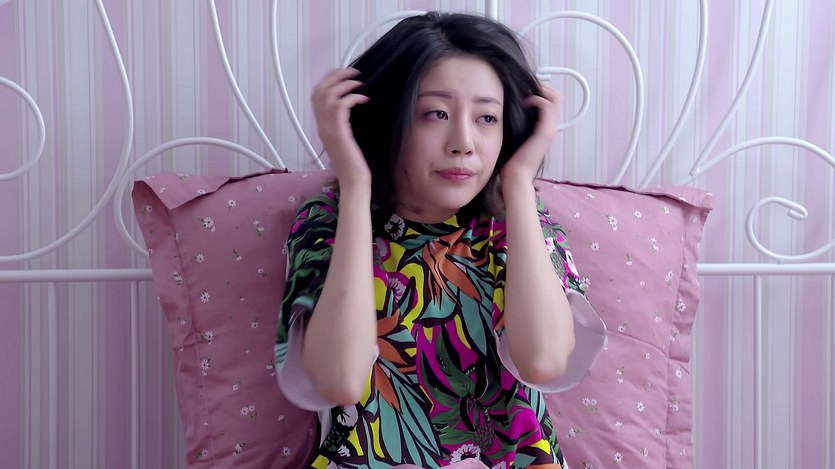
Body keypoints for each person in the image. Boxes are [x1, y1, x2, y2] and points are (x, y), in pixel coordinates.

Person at [275, 11, 603, 469]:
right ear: (388, 118)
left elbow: (544, 361)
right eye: (436, 114)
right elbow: (339, 380)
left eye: (487, 117)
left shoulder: (520, 220)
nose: (463, 142)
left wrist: (518, 184)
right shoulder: (328, 220)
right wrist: (355, 186)